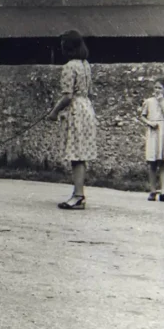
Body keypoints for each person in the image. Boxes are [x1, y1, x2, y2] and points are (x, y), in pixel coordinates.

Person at [47, 30, 97, 210]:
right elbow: (88, 91)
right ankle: (78, 193)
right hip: (86, 108)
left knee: (76, 155)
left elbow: (68, 95)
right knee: (80, 154)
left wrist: (54, 111)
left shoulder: (69, 66)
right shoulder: (85, 65)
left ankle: (78, 195)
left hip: (76, 110)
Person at [139, 78, 164, 203]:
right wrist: (150, 123)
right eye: (155, 88)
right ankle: (152, 190)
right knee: (152, 163)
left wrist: (161, 102)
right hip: (153, 132)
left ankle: (163, 192)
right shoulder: (149, 101)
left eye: (160, 88)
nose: (157, 91)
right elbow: (142, 116)